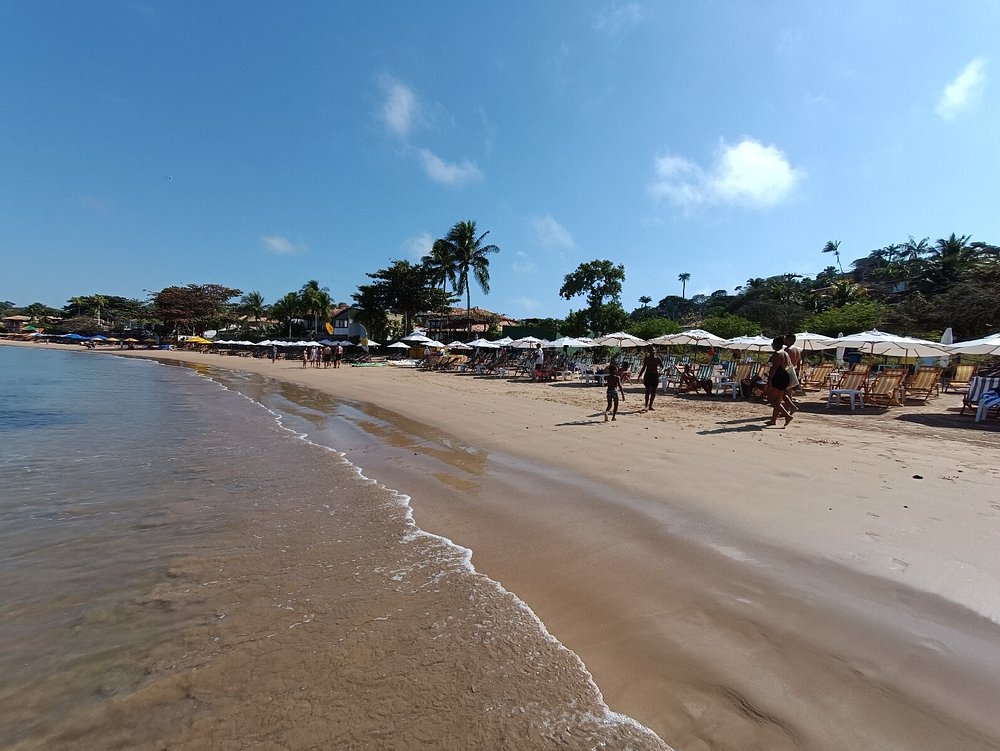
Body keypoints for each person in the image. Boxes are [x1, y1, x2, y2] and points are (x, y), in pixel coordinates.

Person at [766, 336, 795, 427]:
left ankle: (787, 415)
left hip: (777, 378)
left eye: (772, 344)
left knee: (771, 399)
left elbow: (774, 368)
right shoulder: (785, 354)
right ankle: (773, 420)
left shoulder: (777, 354)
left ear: (775, 345)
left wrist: (770, 379)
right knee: (778, 400)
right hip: (785, 378)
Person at [637, 345, 664, 411]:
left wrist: (659, 372)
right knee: (648, 391)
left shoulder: (657, 359)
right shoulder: (647, 359)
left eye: (653, 351)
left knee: (653, 391)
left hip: (654, 375)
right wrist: (640, 375)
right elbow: (644, 367)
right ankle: (646, 405)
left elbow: (662, 366)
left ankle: (650, 405)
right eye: (651, 351)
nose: (653, 353)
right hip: (648, 375)